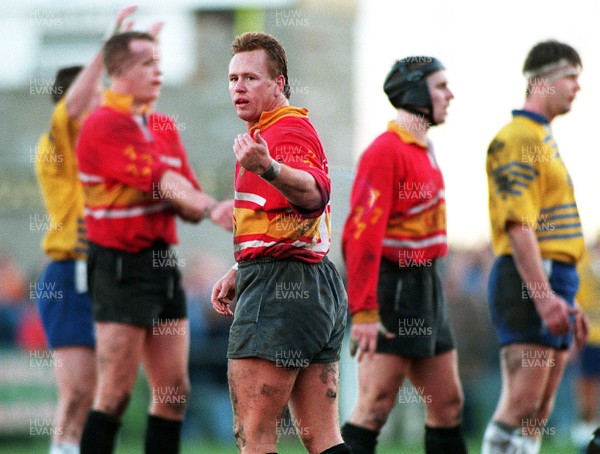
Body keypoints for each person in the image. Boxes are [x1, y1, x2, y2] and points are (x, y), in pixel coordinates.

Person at [76, 29, 228, 454]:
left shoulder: (161, 125)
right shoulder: (103, 124)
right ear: (119, 70)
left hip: (162, 263)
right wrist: (212, 207)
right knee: (116, 394)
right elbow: (160, 180)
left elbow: (181, 192)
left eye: (159, 62)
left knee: (174, 392)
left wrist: (205, 205)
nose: (158, 71)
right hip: (119, 264)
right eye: (147, 63)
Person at [211, 31, 352, 454]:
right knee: (323, 438)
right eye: (233, 78)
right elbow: (290, 222)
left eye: (251, 78)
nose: (239, 87)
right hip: (313, 285)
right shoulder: (275, 128)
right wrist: (241, 268)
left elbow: (313, 194)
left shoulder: (283, 130)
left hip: (280, 292)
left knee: (253, 435)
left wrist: (269, 167)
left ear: (279, 84)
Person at [340, 57, 467, 454]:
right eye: (441, 86)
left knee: (448, 406)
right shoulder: (385, 151)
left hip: (426, 284)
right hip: (393, 287)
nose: (450, 94)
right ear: (415, 92)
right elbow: (359, 235)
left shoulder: (424, 148)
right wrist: (363, 310)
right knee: (374, 406)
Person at [33, 6, 137, 454]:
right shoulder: (58, 139)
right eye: (96, 92)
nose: (102, 101)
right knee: (76, 392)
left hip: (107, 275)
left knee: (106, 399)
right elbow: (78, 102)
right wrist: (111, 44)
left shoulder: (103, 147)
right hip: (68, 275)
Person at [482, 40, 589, 453]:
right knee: (522, 401)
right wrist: (545, 298)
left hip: (553, 276)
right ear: (541, 81)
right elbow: (518, 225)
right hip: (528, 276)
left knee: (538, 410)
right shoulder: (517, 137)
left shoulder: (542, 137)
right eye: (570, 76)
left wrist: (566, 297)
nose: (577, 86)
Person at [571, 241, 600, 453]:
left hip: (589, 337)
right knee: (586, 392)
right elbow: (575, 302)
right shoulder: (584, 265)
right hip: (589, 339)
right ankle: (586, 440)